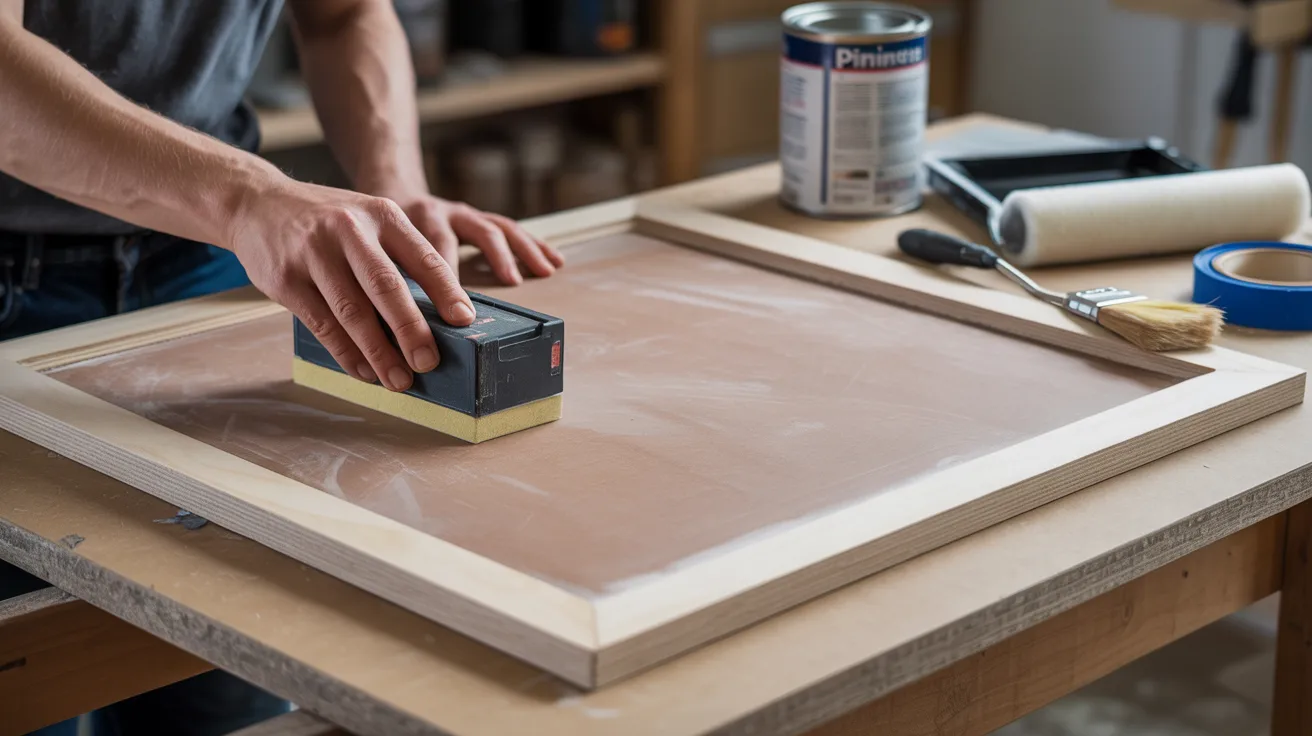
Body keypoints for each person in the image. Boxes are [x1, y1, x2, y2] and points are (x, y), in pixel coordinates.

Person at [0, 1, 563, 733]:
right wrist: (247, 197)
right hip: (28, 266)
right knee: (38, 676)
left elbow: (344, 15)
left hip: (206, 252)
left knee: (239, 651)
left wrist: (395, 194)